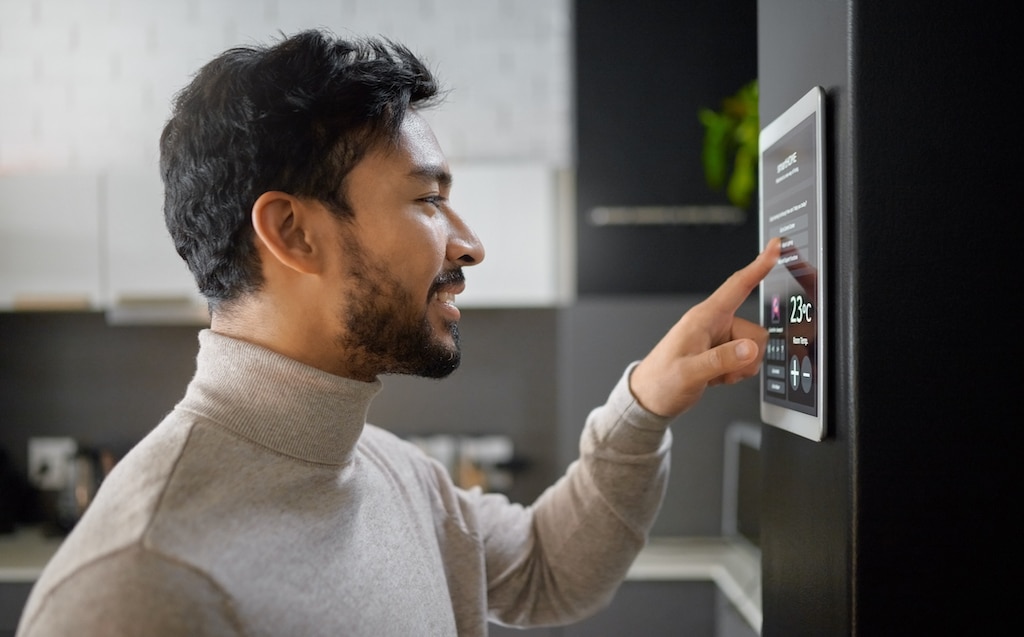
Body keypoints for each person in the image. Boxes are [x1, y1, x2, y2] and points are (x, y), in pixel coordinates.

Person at [16, 29, 780, 637]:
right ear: (292, 231)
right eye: (427, 199)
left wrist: (643, 403)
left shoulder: (390, 470)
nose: (469, 242)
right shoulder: (140, 586)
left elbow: (550, 569)